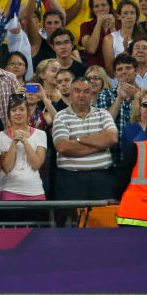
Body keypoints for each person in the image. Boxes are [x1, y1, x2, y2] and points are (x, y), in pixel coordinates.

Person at [51, 77, 120, 205]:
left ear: (92, 94)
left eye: (86, 91)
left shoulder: (103, 114)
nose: (81, 95)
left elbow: (112, 138)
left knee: (102, 221)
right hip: (71, 180)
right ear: (71, 93)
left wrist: (78, 139)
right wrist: (100, 144)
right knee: (72, 223)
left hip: (102, 178)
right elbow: (63, 147)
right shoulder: (60, 116)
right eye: (77, 91)